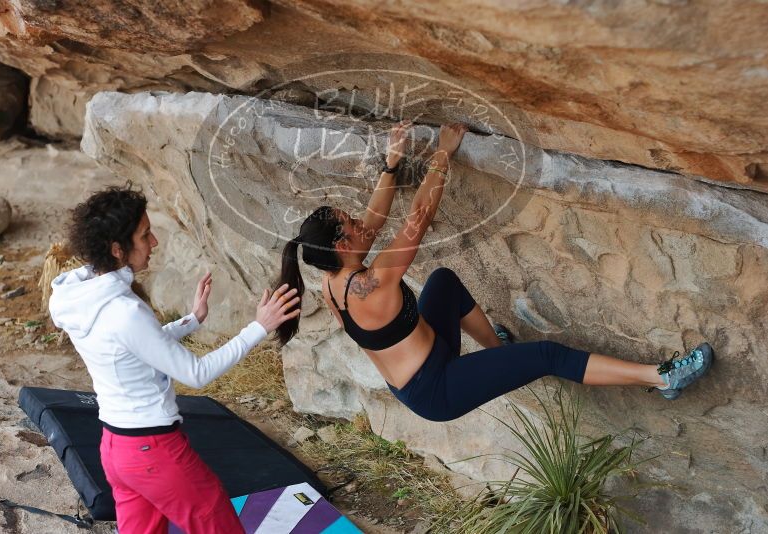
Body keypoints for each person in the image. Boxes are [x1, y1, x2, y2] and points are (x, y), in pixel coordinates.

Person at [274, 121, 714, 423]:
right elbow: (418, 218)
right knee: (547, 356)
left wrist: (393, 162)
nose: (360, 223)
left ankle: (494, 348)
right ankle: (661, 378)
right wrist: (443, 153)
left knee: (443, 280)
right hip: (437, 390)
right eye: (350, 224)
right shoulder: (372, 286)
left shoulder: (331, 279)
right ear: (342, 246)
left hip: (426, 362)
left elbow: (374, 216)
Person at [49, 185, 300, 534]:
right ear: (118, 249)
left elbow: (135, 346)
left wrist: (192, 319)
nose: (153, 243)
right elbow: (196, 373)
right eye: (145, 235)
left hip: (115, 449)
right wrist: (259, 327)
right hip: (154, 453)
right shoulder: (124, 311)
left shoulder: (82, 297)